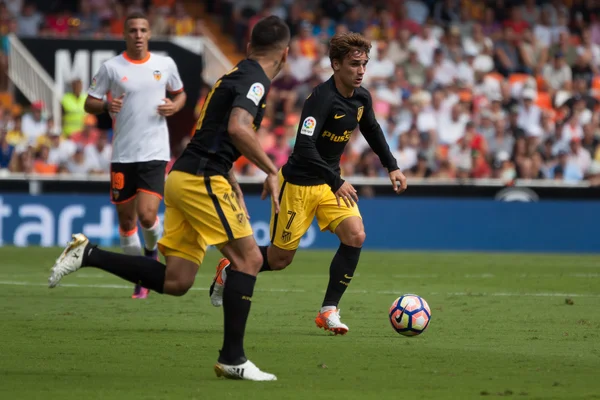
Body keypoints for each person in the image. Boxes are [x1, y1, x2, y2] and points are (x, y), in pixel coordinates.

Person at [48, 15, 290, 381]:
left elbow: (212, 132)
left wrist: (231, 174)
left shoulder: (233, 75)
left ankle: (88, 253)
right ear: (285, 55)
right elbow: (237, 127)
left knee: (177, 281)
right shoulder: (255, 80)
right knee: (249, 260)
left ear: (247, 46)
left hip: (184, 177)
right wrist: (272, 171)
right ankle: (233, 358)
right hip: (200, 180)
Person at [210, 32, 407, 335]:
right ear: (336, 64)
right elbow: (304, 146)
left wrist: (392, 166)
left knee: (355, 235)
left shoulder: (361, 97)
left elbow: (372, 129)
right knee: (279, 260)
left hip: (329, 184)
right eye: (355, 65)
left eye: (364, 64)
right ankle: (231, 265)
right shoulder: (320, 99)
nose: (361, 71)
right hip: (299, 185)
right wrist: (336, 180)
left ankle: (328, 310)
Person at [84, 12, 187, 299]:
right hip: (123, 154)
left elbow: (180, 94)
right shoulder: (111, 67)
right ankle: (139, 276)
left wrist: (175, 106)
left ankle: (150, 254)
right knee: (127, 222)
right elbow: (89, 102)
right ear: (125, 34)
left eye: (143, 30)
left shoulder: (164, 64)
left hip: (155, 152)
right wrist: (106, 105)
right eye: (133, 30)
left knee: (146, 215)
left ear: (149, 33)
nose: (138, 35)